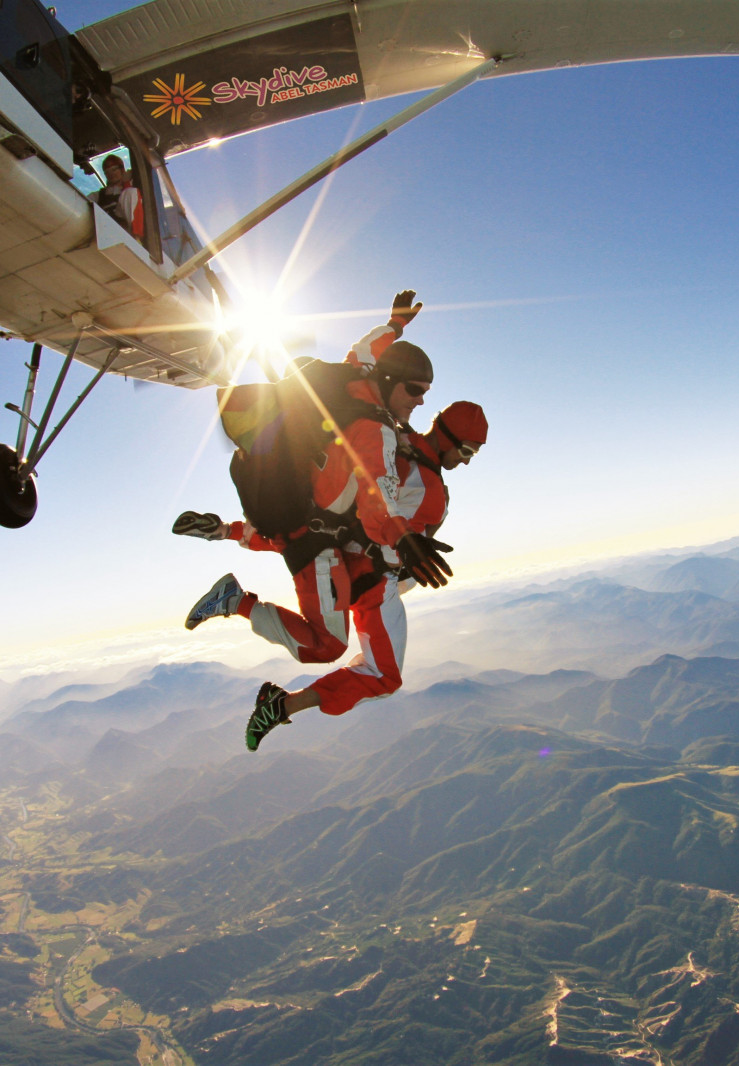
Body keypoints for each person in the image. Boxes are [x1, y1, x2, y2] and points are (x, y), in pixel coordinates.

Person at [177, 399, 488, 751]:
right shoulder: (431, 490)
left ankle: (222, 531)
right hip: (372, 582)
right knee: (376, 672)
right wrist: (407, 552)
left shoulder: (392, 436)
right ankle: (243, 619)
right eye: (466, 450)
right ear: (446, 436)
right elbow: (383, 535)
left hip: (333, 543)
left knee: (305, 537)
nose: (465, 460)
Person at [182, 290, 452, 665]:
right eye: (415, 390)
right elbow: (378, 496)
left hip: (289, 496)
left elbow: (367, 347)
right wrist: (403, 537)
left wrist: (396, 323)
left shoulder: (356, 372)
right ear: (391, 380)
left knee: (319, 535)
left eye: (426, 392)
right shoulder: (376, 430)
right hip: (312, 538)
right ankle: (234, 600)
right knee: (327, 646)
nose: (420, 401)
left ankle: (221, 530)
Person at [91, 154, 144, 240]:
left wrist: (126, 181)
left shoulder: (128, 189)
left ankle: (137, 238)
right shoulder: (99, 194)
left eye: (114, 169)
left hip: (123, 225)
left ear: (122, 170)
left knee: (130, 192)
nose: (111, 174)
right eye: (107, 172)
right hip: (105, 227)